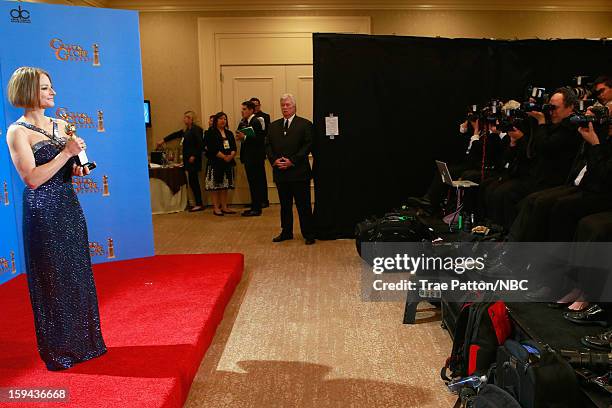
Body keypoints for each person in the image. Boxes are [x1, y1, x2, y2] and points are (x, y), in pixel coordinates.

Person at [5, 66, 107, 370]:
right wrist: (65, 154)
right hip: (42, 212)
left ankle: (86, 344)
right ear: (28, 92)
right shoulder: (17, 132)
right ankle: (59, 350)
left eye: (51, 87)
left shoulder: (62, 125)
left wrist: (77, 166)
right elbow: (32, 179)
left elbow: (71, 168)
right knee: (51, 279)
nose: (53, 93)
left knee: (76, 273)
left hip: (68, 206)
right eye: (46, 88)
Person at [265, 93, 316, 245]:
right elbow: (268, 145)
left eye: (288, 105)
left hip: (299, 172)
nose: (285, 108)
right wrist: (275, 160)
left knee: (304, 205)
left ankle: (308, 233)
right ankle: (286, 232)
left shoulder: (305, 124)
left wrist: (292, 161)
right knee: (285, 205)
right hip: (280, 172)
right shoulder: (273, 126)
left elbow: (308, 145)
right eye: (283, 105)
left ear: (294, 106)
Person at [157, 111, 205, 212]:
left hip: (193, 160)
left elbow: (200, 145)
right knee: (192, 182)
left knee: (194, 182)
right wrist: (163, 140)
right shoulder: (186, 130)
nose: (184, 119)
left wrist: (194, 156)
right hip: (187, 160)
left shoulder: (196, 129)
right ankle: (197, 203)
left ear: (191, 119)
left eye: (186, 117)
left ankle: (199, 204)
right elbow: (175, 135)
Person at [236, 100, 266, 216]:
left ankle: (256, 209)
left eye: (244, 109)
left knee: (255, 183)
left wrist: (245, 136)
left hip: (254, 158)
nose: (242, 111)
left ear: (251, 110)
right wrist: (243, 137)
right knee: (253, 183)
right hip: (250, 157)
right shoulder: (246, 121)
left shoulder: (255, 121)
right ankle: (254, 206)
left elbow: (258, 140)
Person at [204, 112, 237, 216]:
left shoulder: (229, 133)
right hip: (215, 163)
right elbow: (211, 148)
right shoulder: (210, 133)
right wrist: (223, 157)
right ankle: (216, 207)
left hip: (228, 163)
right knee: (215, 187)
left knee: (224, 186)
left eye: (225, 119)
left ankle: (224, 206)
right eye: (220, 119)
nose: (223, 121)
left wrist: (230, 156)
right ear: (216, 121)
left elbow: (234, 148)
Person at [250, 97, 270, 208]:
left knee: (261, 177)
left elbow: (266, 133)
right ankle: (255, 200)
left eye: (256, 105)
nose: (255, 107)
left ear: (259, 105)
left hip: (260, 150)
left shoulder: (265, 117)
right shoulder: (246, 118)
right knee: (253, 178)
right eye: (253, 105)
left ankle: (263, 200)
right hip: (250, 152)